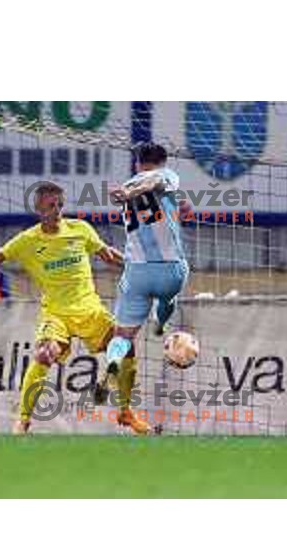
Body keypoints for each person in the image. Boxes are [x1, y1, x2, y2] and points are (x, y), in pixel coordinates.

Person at [0, 182, 151, 436]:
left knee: (126, 347)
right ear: (39, 208)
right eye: (51, 206)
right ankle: (23, 422)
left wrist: (137, 269)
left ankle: (125, 412)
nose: (58, 210)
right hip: (56, 314)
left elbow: (107, 254)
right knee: (43, 355)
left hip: (90, 310)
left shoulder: (80, 229)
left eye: (60, 205)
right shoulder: (27, 240)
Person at [99, 142, 189, 410]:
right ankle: (161, 324)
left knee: (123, 335)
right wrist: (139, 189)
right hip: (169, 268)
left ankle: (112, 365)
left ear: (138, 163)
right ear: (163, 161)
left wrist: (128, 191)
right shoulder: (167, 174)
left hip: (137, 270)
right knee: (167, 297)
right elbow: (158, 181)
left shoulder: (128, 185)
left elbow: (152, 207)